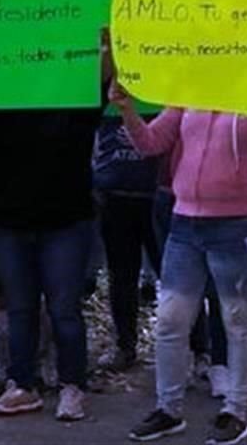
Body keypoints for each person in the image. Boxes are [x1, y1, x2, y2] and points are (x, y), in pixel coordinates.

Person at [120, 54, 247, 445]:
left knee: (238, 320)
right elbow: (152, 142)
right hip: (185, 221)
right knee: (171, 320)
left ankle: (234, 411)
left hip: (243, 225)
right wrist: (127, 110)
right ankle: (168, 409)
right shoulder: (194, 86)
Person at [0, 47, 113, 422]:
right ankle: (22, 384)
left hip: (65, 221)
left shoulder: (74, 100)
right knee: (20, 308)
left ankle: (72, 386)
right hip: (10, 221)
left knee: (64, 309)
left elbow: (101, 82)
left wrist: (107, 46)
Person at [92, 107, 162, 372]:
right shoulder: (101, 94)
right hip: (114, 195)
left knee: (176, 278)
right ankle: (124, 345)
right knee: (121, 277)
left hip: (157, 195)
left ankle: (198, 349)